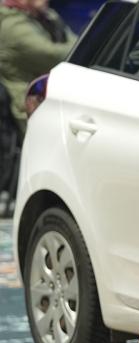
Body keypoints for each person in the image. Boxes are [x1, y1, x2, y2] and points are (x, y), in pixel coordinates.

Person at [0, 0, 75, 217]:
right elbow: (55, 55)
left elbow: (74, 45)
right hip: (29, 103)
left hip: (54, 94)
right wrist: (92, 47)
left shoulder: (47, 17)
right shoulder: (9, 23)